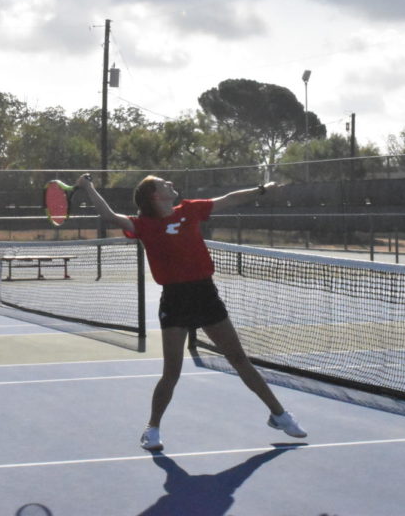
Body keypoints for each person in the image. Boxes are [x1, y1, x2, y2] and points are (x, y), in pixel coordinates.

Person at [76, 174, 307, 451]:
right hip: (175, 300)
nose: (170, 184)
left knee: (238, 359)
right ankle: (152, 428)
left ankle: (279, 415)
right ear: (154, 196)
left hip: (205, 295)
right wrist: (88, 187)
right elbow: (109, 215)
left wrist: (261, 189)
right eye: (163, 184)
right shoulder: (143, 225)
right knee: (171, 371)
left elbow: (230, 199)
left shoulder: (191, 209)